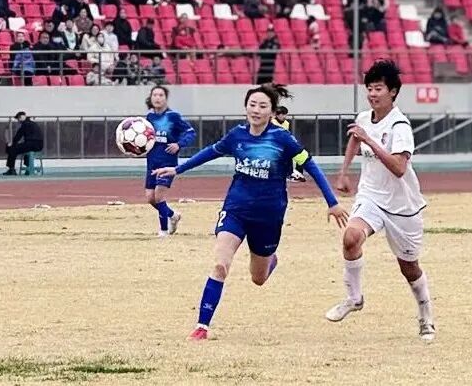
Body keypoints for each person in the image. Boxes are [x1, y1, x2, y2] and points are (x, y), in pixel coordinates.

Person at [151, 83, 348, 340]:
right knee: (220, 265)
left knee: (258, 278)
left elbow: (310, 165)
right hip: (236, 210)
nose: (256, 110)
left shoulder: (282, 139)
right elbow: (211, 152)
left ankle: (270, 260)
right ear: (245, 107)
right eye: (252, 104)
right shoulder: (237, 135)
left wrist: (332, 202)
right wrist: (177, 170)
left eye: (262, 106)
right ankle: (202, 326)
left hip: (269, 216)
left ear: (272, 112)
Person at [327, 60, 435, 341]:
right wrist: (344, 172)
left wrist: (370, 141)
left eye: (379, 89)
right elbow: (355, 138)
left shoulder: (400, 125)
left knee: (408, 267)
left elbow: (399, 168)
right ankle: (354, 298)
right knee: (351, 238)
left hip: (402, 207)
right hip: (371, 196)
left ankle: (426, 315)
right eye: (370, 89)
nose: (373, 94)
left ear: (393, 92)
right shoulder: (364, 118)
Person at [141, 85, 196, 236]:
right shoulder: (149, 118)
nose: (157, 98)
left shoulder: (173, 116)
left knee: (159, 195)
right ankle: (173, 215)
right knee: (150, 198)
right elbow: (144, 138)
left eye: (161, 95)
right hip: (152, 162)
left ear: (166, 98)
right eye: (155, 95)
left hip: (168, 163)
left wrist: (179, 144)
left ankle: (163, 231)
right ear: (151, 98)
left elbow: (191, 132)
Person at [4, 111, 44, 176]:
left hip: (31, 144)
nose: (18, 121)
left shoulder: (25, 124)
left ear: (21, 117)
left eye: (18, 118)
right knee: (24, 149)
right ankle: (28, 168)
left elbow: (18, 135)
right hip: (39, 145)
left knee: (12, 149)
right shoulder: (33, 123)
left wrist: (12, 144)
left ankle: (11, 169)